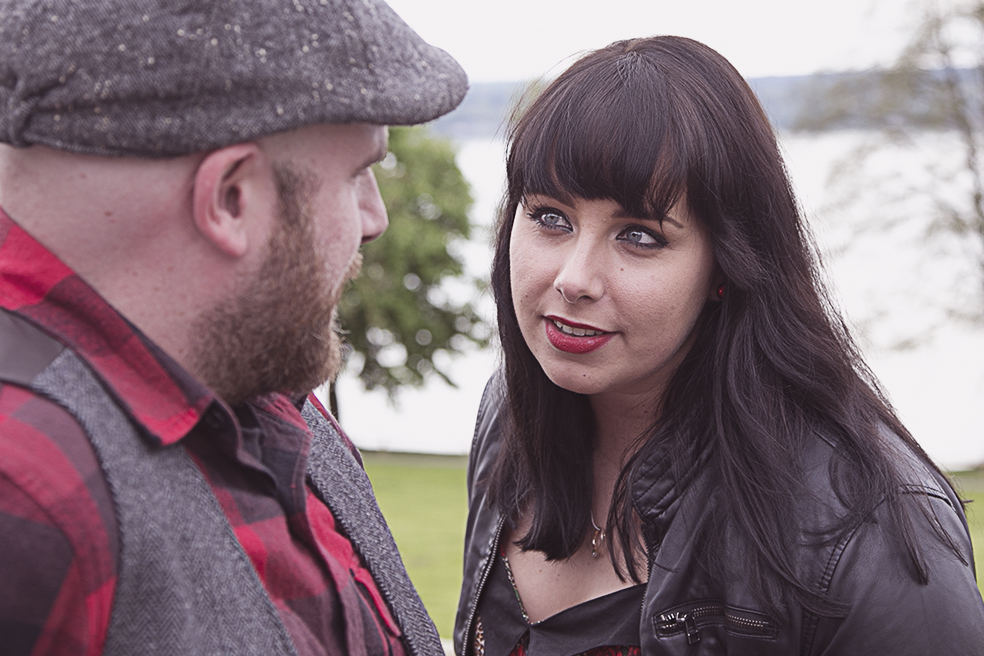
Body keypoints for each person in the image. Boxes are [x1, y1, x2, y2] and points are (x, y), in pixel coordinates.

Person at [454, 36, 984, 656]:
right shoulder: (510, 413)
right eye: (551, 217)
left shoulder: (870, 531)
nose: (574, 279)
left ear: (726, 265)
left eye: (639, 236)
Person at [0, 0, 466, 655]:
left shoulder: (250, 368)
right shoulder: (27, 493)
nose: (375, 217)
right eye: (358, 173)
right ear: (230, 198)